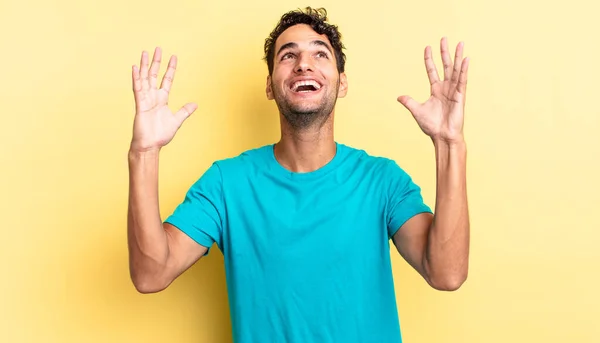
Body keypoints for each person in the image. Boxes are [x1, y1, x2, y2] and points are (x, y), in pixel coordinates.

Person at [127, 7, 470, 343]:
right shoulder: (225, 184)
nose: (304, 63)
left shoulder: (382, 180)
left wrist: (449, 143)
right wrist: (143, 153)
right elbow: (150, 273)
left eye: (320, 54)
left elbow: (446, 272)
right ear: (269, 85)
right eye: (288, 56)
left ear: (342, 83)